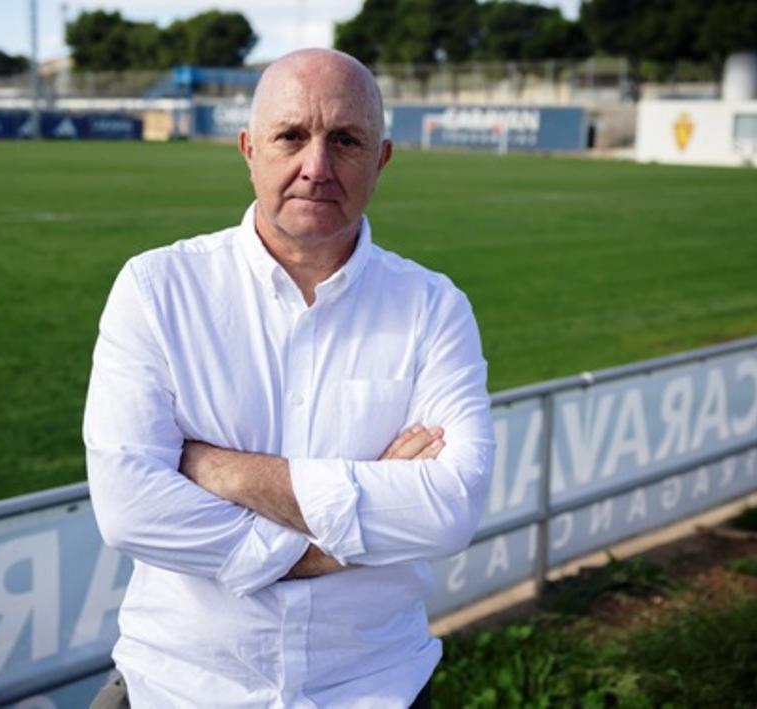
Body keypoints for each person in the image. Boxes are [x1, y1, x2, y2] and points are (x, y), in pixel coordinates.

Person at [83, 48, 496, 707]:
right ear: (249, 149)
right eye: (291, 136)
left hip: (373, 686)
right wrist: (348, 534)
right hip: (179, 687)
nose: (317, 166)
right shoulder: (158, 289)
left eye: (346, 139)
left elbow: (450, 508)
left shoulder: (432, 306)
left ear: (381, 158)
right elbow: (130, 509)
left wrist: (228, 473)